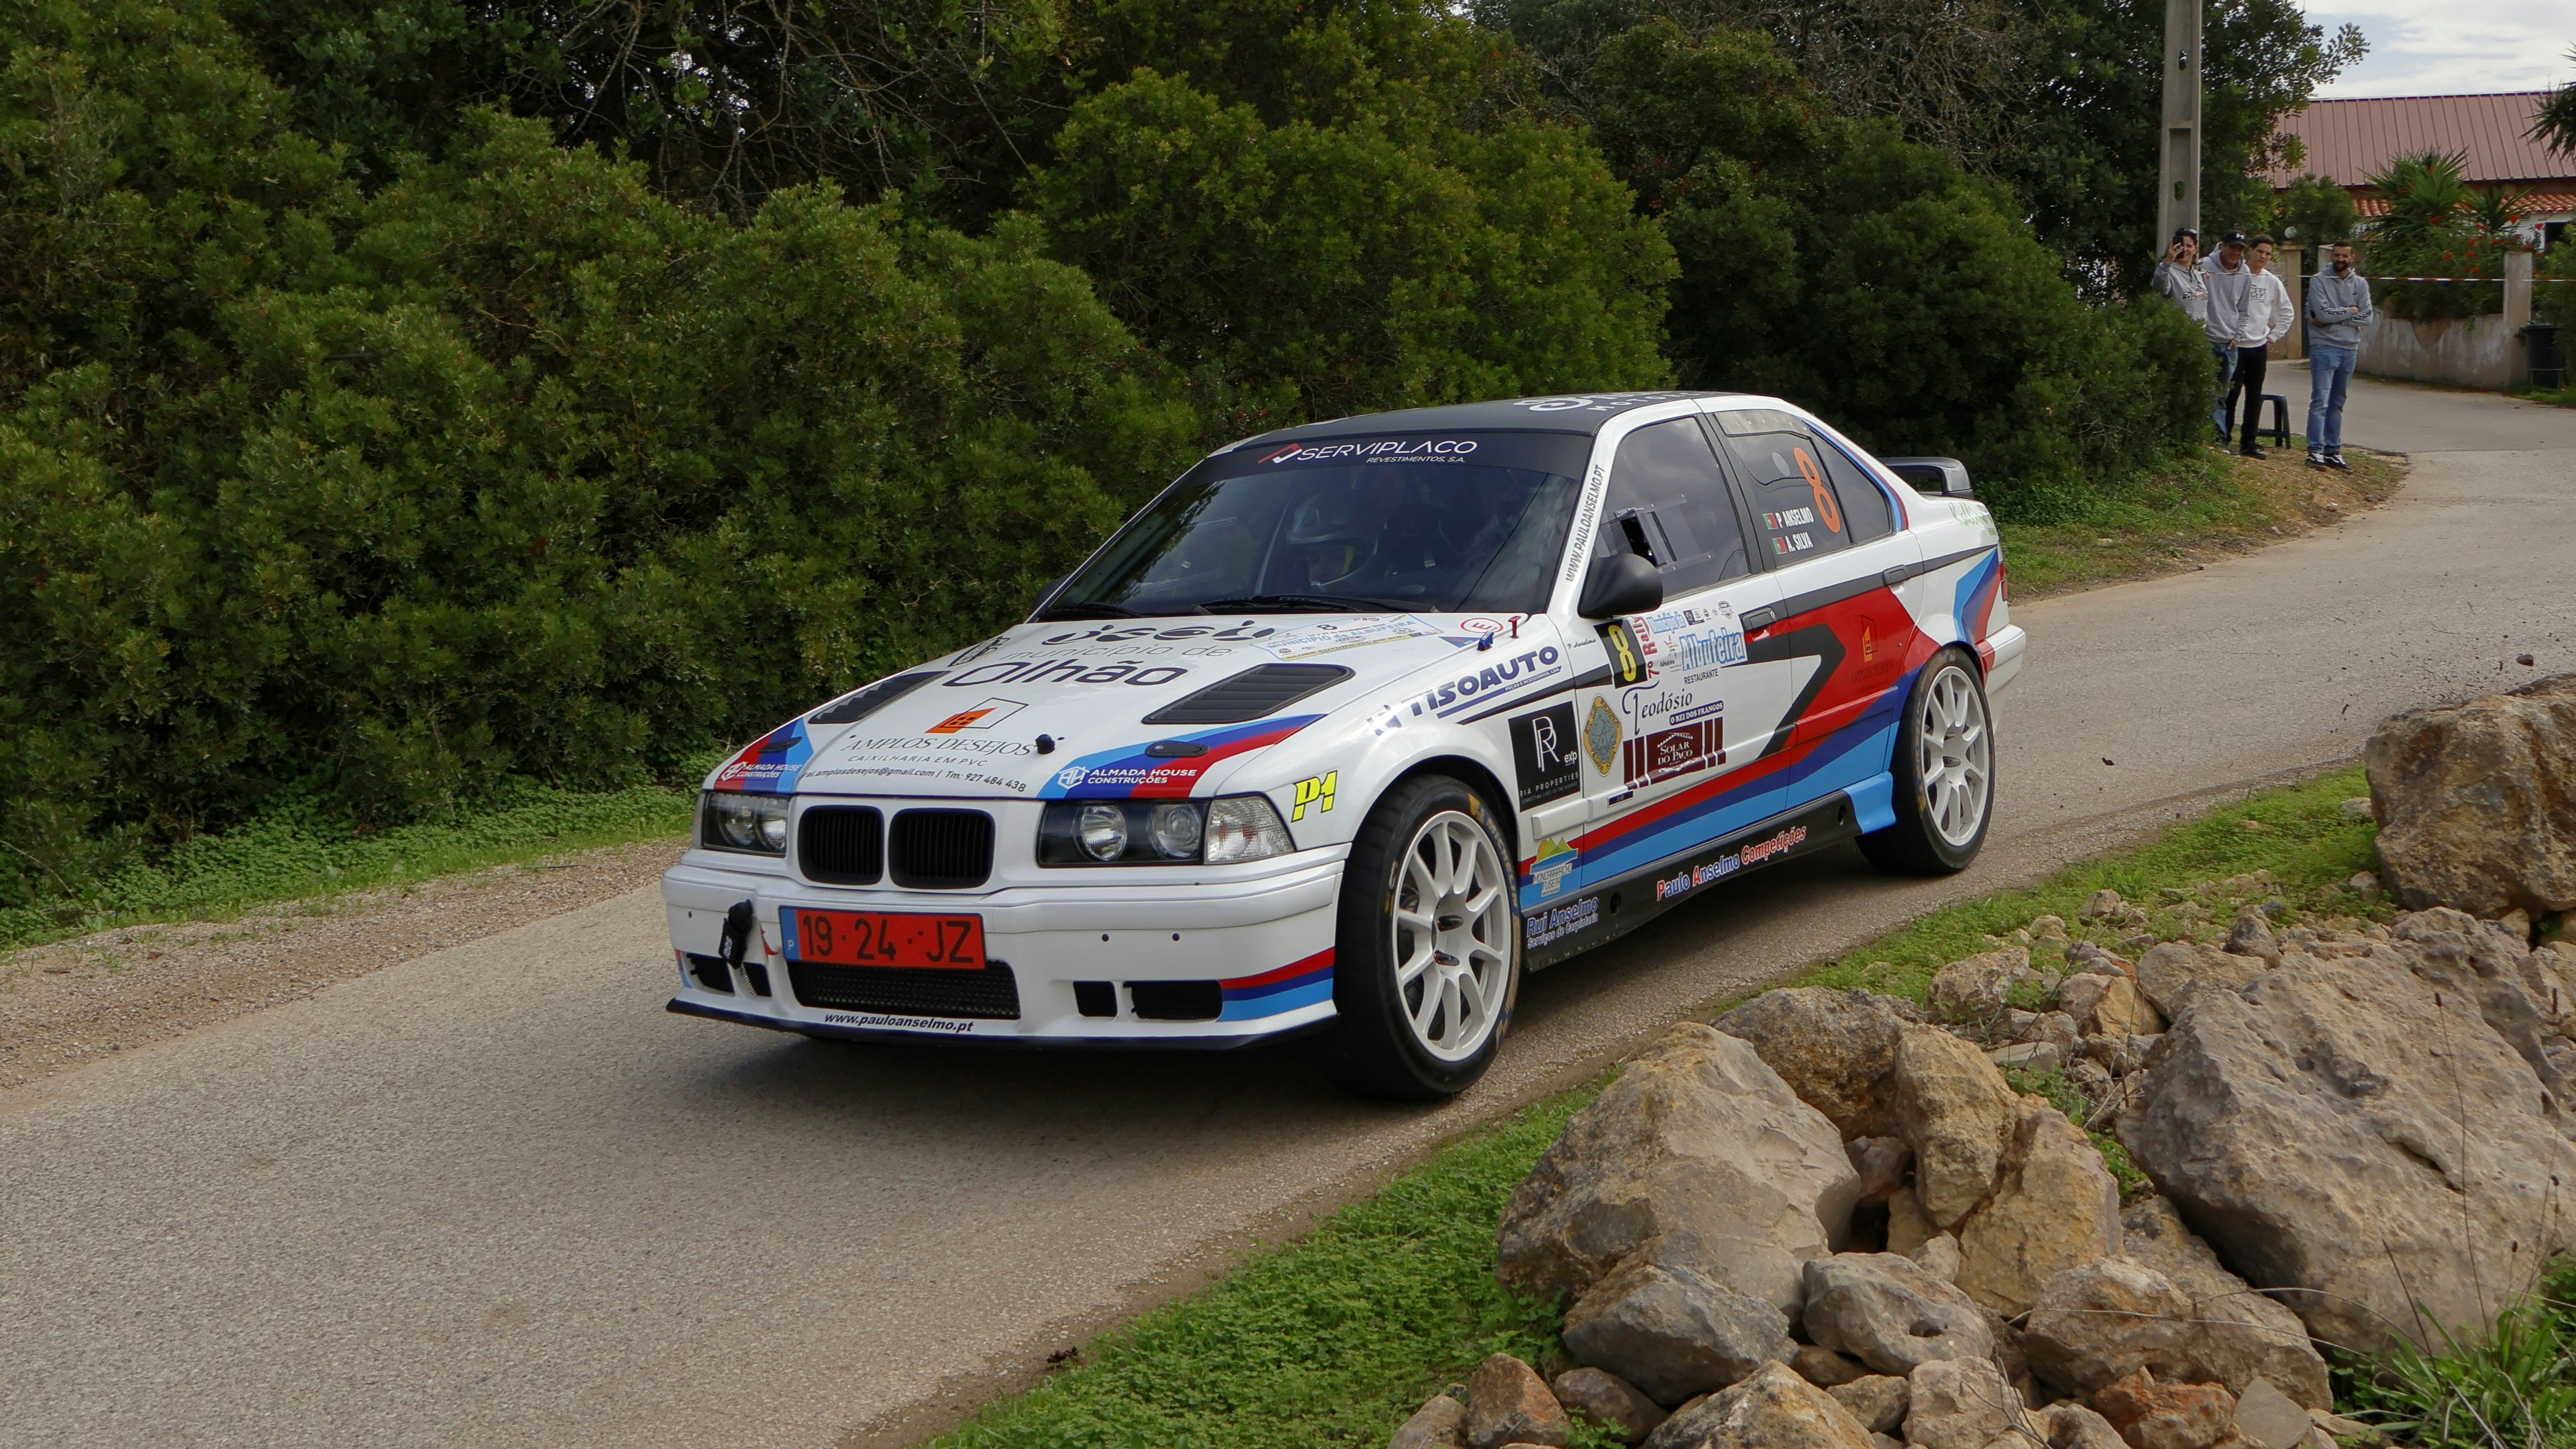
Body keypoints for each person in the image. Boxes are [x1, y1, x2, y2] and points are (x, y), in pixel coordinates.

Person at [2218, 234, 2295, 457]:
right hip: (2234, 345)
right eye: (2260, 251)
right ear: (2250, 251)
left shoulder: (2272, 282)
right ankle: (2223, 439)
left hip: (2258, 347)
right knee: (2230, 396)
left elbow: (2287, 312)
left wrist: (2274, 335)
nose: (2263, 257)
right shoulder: (2237, 275)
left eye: (2268, 254)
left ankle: (2248, 443)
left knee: (2254, 396)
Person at [2305, 239, 2372, 470]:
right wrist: (2350, 311)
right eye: (2336, 255)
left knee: (2338, 402)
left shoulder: (2361, 284)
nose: (2340, 260)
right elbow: (2321, 314)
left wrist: (2338, 317)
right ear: (2331, 256)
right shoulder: (2318, 280)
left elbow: (2368, 317)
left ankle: (2333, 450)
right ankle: (2315, 450)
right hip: (2324, 346)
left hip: (2350, 348)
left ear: (2352, 258)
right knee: (2320, 401)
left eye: (2345, 256)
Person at [2199, 232, 2255, 446]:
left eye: (2240, 249)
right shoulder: (2204, 266)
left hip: (2230, 343)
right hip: (2206, 338)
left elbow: (2244, 308)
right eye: (2232, 247)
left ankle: (2218, 440)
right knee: (2204, 392)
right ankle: (2202, 438)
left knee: (2221, 395)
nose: (2236, 252)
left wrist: (2238, 335)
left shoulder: (2245, 273)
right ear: (2222, 246)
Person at [2155, 228, 2208, 327]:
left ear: (2196, 249)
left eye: (2189, 246)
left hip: (2199, 335)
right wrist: (2168, 261)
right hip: (2177, 333)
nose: (2185, 249)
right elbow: (2160, 289)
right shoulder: (2167, 271)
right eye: (2181, 246)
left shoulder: (2198, 275)